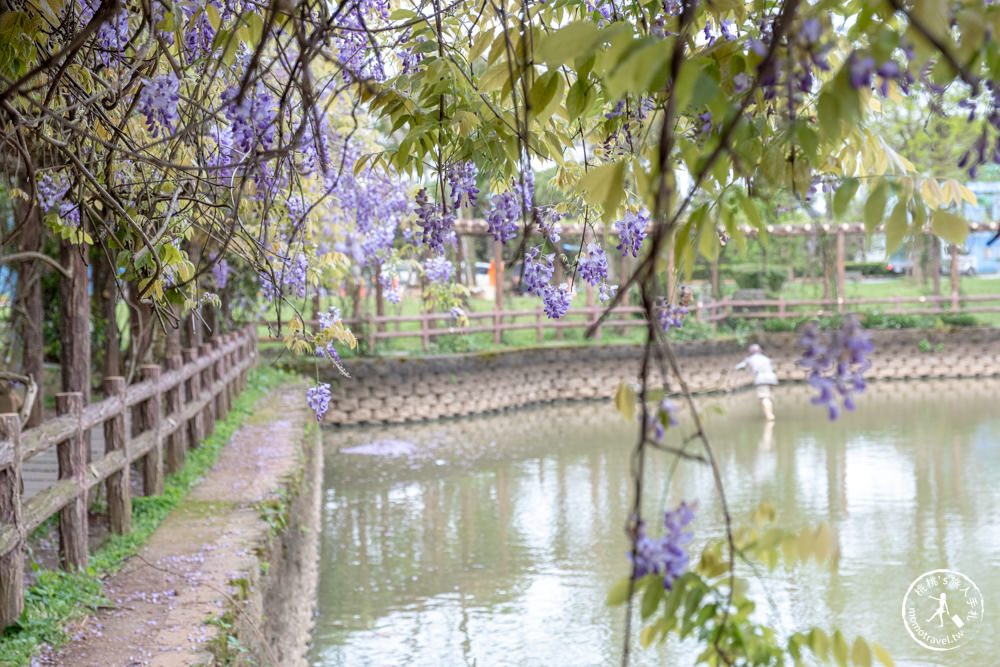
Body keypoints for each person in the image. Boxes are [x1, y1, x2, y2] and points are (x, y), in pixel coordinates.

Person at [735, 343, 778, 421]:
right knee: (769, 397)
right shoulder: (766, 358)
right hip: (772, 378)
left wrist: (744, 368)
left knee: (765, 397)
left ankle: (769, 416)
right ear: (759, 350)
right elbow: (773, 368)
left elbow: (738, 367)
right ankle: (770, 414)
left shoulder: (750, 359)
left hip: (761, 379)